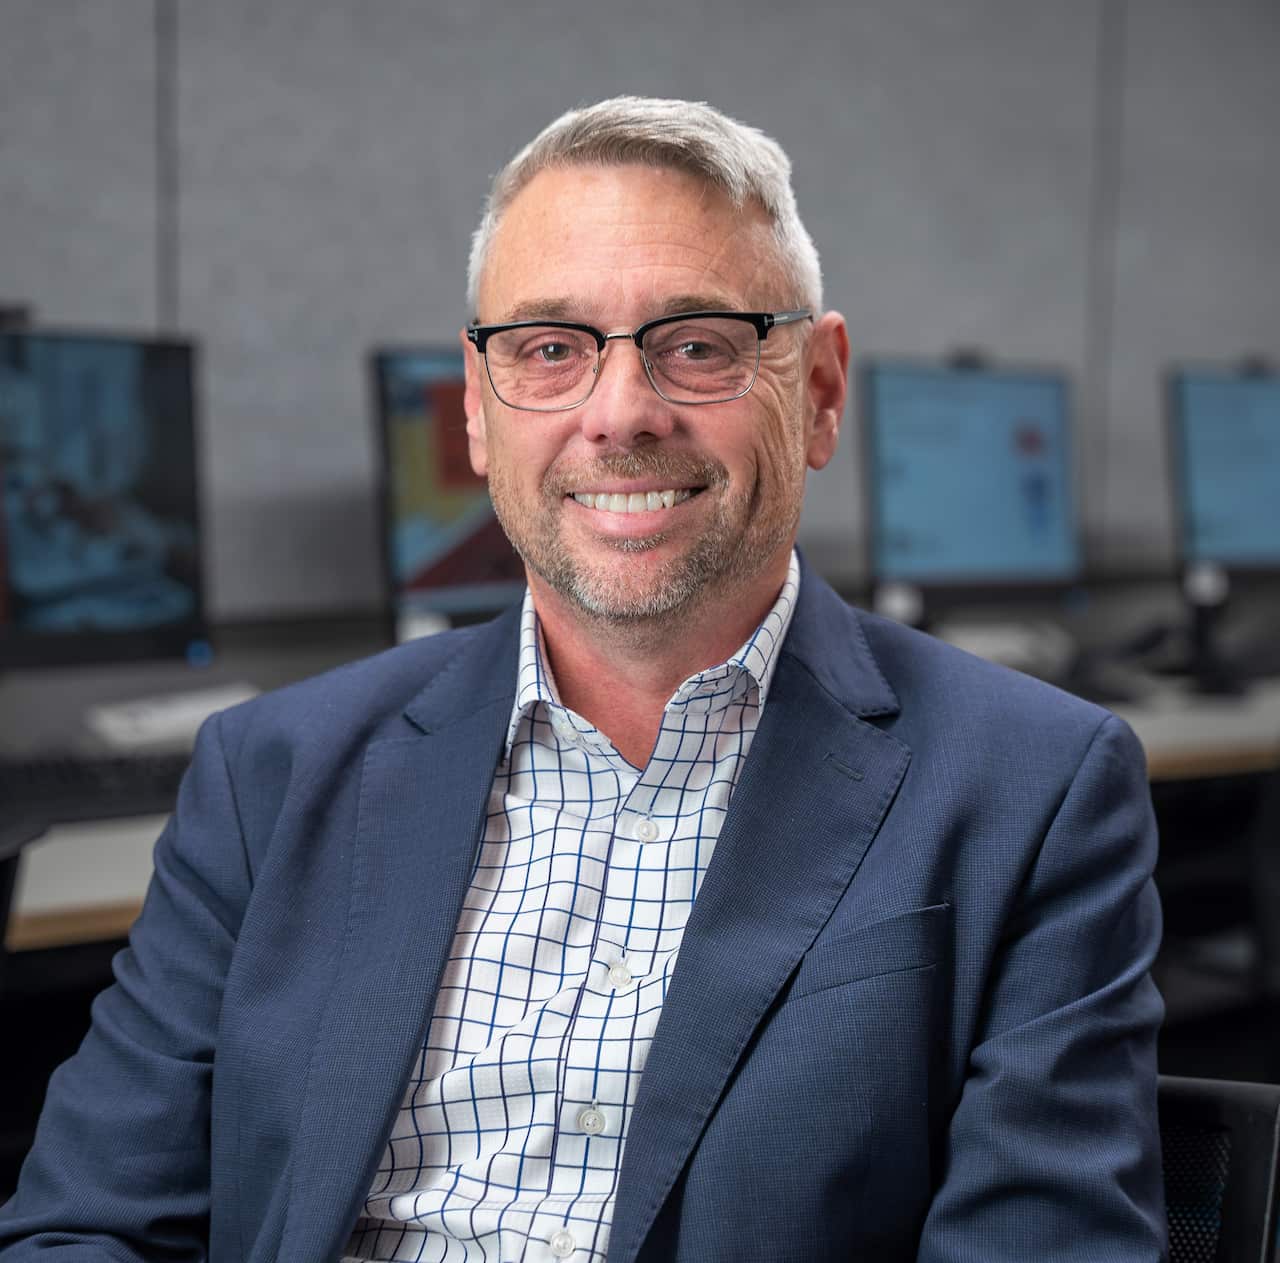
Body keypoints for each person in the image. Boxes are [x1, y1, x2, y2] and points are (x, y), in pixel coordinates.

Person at [0, 96, 1165, 1262]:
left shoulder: (1033, 789)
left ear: (817, 390)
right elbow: (89, 1225)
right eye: (550, 349)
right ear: (476, 409)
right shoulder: (269, 774)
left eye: (697, 344)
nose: (618, 414)